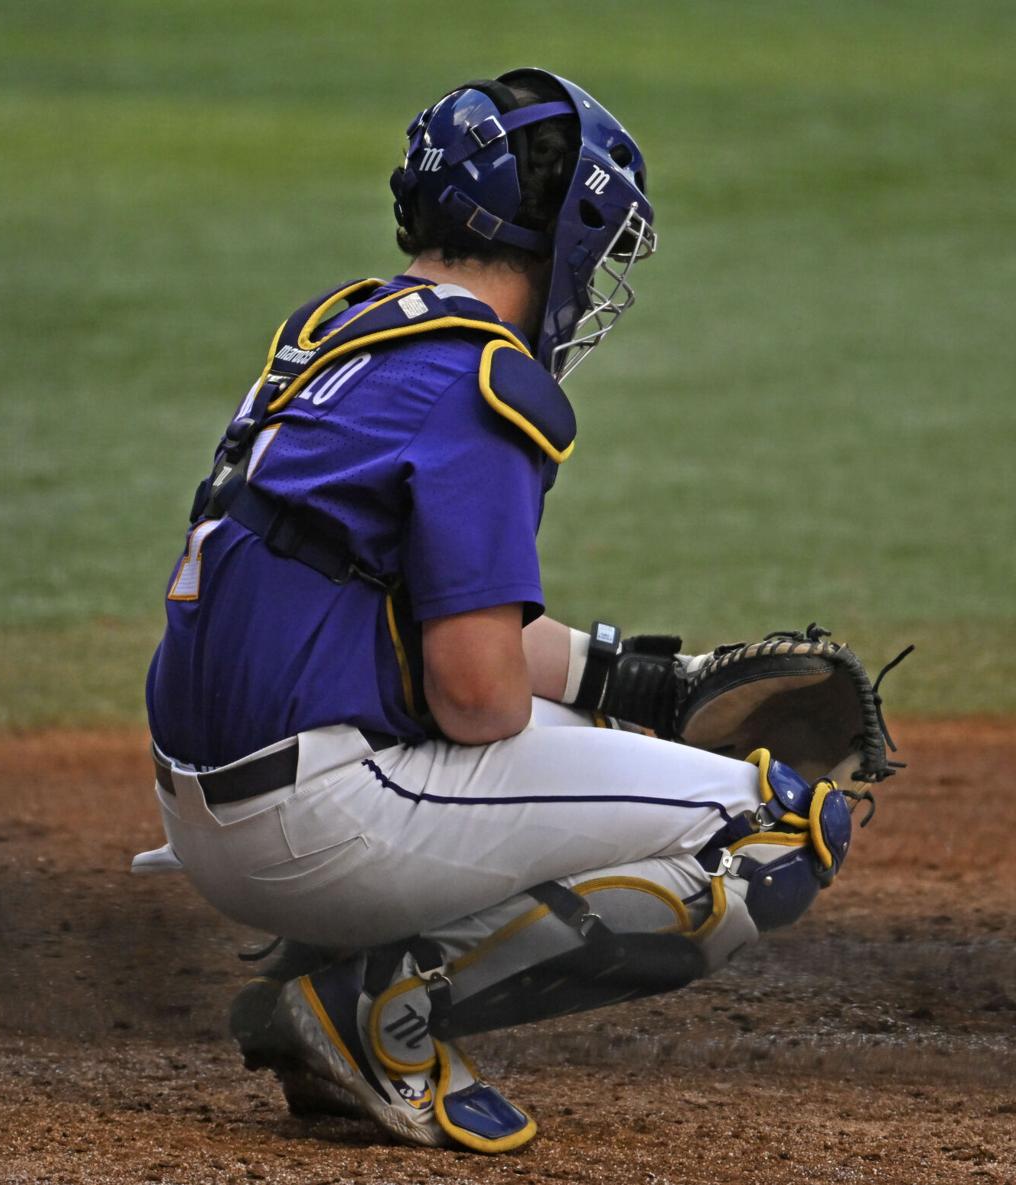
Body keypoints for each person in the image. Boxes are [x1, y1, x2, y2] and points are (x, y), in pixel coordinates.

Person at [145, 68, 852, 1153]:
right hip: (317, 831)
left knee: (571, 742)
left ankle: (328, 963)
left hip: (206, 813)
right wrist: (604, 755)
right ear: (559, 237)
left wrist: (647, 691)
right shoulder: (483, 384)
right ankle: (377, 1006)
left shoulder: (339, 335)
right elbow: (475, 698)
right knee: (778, 830)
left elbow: (394, 603)